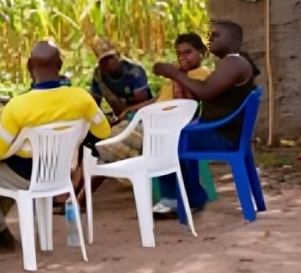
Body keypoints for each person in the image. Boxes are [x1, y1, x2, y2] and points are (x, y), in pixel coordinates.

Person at [0, 41, 111, 248]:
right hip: (60, 173)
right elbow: (103, 132)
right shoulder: (82, 98)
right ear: (60, 64)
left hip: (25, 175)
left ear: (29, 66)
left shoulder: (18, 106)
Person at [73, 33, 212, 208]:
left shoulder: (199, 75)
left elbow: (185, 103)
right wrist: (130, 110)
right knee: (101, 141)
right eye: (179, 54)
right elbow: (158, 100)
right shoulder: (179, 76)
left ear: (202, 53)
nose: (182, 58)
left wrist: (176, 76)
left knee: (105, 144)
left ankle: (139, 169)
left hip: (164, 125)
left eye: (188, 53)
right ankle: (76, 197)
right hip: (148, 120)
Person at [152, 20, 260, 215]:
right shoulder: (233, 62)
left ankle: (173, 199)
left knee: (162, 142)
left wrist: (174, 73)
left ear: (232, 39)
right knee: (176, 137)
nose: (209, 39)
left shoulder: (233, 63)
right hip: (223, 131)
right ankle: (193, 198)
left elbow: (205, 92)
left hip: (222, 136)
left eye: (216, 35)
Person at [89, 37, 153, 121]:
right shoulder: (99, 75)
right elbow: (94, 104)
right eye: (104, 60)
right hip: (119, 118)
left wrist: (126, 111)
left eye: (111, 58)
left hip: (142, 116)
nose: (109, 63)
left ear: (118, 57)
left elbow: (144, 103)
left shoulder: (135, 72)